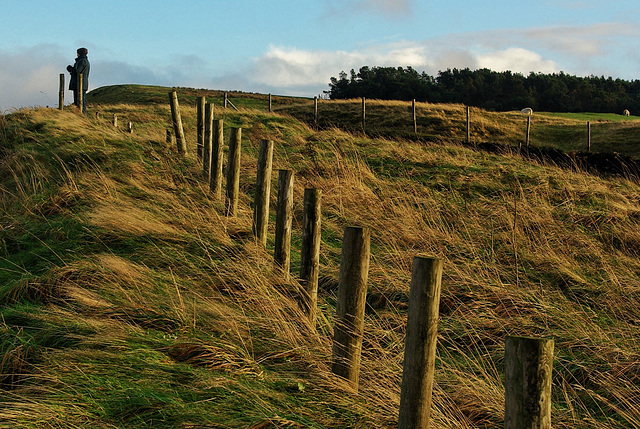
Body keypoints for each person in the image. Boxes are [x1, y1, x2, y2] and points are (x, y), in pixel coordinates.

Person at [67, 47, 90, 112]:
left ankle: (81, 115)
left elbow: (77, 71)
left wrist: (70, 69)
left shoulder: (82, 61)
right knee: (80, 100)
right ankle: (81, 114)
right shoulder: (84, 60)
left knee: (79, 101)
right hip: (82, 84)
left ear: (79, 53)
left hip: (79, 84)